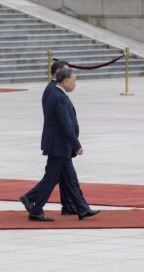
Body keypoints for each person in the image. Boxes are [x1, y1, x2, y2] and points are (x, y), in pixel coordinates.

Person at [20, 68, 100, 221]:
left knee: (70, 179)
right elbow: (65, 124)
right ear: (64, 81)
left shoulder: (58, 94)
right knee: (51, 179)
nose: (75, 84)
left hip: (60, 146)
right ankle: (35, 208)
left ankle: (82, 208)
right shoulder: (59, 97)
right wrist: (76, 144)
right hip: (59, 146)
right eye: (73, 81)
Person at [21, 59, 78, 216]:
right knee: (53, 177)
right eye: (66, 72)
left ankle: (71, 205)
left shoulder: (54, 89)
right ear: (59, 73)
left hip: (61, 143)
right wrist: (75, 143)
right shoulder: (55, 91)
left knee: (65, 177)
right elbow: (62, 122)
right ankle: (32, 201)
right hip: (58, 143)